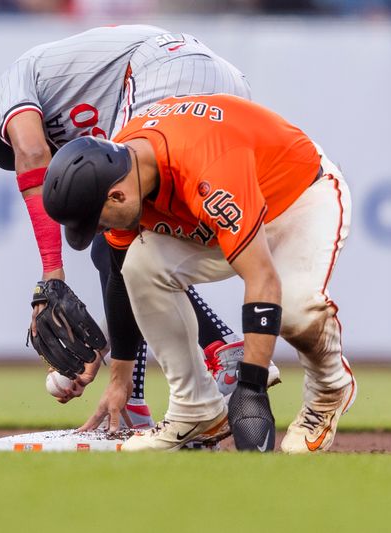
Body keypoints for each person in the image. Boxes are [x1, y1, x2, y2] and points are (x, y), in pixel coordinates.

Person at [0, 25, 279, 429]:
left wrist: (51, 275)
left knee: (117, 241)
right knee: (132, 247)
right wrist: (108, 348)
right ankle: (139, 395)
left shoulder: (12, 83)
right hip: (224, 87)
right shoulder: (94, 130)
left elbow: (32, 152)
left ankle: (212, 346)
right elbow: (126, 275)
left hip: (165, 68)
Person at [42, 94, 356, 453]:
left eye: (95, 221)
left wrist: (250, 389)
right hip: (218, 210)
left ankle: (330, 387)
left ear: (116, 197)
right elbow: (119, 275)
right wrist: (120, 379)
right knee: (140, 264)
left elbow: (262, 278)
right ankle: (195, 408)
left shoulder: (206, 169)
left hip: (298, 197)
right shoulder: (128, 172)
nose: (97, 230)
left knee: (295, 308)